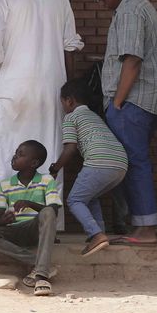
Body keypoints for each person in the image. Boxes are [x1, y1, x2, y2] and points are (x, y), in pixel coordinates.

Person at [0, 0, 84, 229]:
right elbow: (70, 47)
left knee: (4, 152)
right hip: (51, 89)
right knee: (48, 153)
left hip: (12, 88)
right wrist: (68, 89)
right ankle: (48, 222)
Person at [91, 0, 157, 245]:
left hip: (133, 102)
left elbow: (132, 60)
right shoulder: (137, 7)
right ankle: (142, 225)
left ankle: (146, 227)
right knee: (135, 161)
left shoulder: (129, 11)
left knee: (134, 163)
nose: (102, 4)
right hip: (144, 100)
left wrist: (118, 101)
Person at [49, 79, 128, 256]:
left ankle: (96, 235)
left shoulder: (71, 117)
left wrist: (55, 168)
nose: (63, 107)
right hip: (120, 164)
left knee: (74, 200)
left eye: (62, 103)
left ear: (69, 101)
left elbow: (70, 148)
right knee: (90, 196)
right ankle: (99, 233)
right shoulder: (94, 116)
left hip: (99, 163)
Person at [0, 140, 60, 296]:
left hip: (35, 229)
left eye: (20, 154)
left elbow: (53, 211)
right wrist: (4, 220)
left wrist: (29, 203)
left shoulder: (46, 180)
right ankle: (39, 263)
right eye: (16, 153)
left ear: (34, 163)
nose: (14, 157)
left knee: (48, 211)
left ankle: (41, 276)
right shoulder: (5, 184)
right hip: (14, 232)